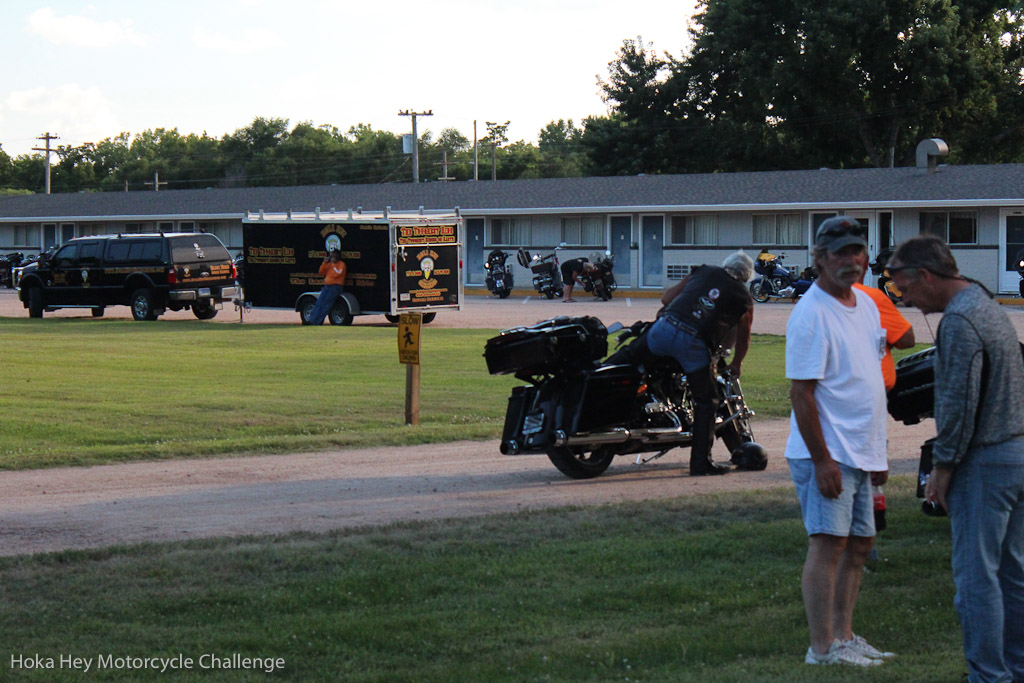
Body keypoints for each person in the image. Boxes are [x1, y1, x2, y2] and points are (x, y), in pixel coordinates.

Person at [888, 235, 1024, 683]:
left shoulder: (961, 322)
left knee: (975, 580)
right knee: (1012, 575)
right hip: (1017, 452)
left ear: (926, 275)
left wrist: (942, 470)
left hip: (984, 461)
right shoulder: (987, 305)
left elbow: (959, 405)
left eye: (901, 283)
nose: (900, 296)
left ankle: (988, 676)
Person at [785, 216, 892, 667]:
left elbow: (867, 380)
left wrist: (878, 454)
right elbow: (801, 394)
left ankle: (845, 637)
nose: (851, 261)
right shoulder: (811, 313)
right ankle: (822, 648)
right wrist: (823, 460)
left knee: (860, 544)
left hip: (861, 452)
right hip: (828, 454)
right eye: (840, 253)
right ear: (820, 259)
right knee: (829, 544)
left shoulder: (866, 304)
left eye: (857, 252)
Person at [646, 251, 754, 476]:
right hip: (692, 343)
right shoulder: (744, 298)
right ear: (746, 277)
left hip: (660, 331)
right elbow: (744, 336)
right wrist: (737, 363)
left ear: (725, 265)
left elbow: (666, 299)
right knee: (706, 401)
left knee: (630, 360)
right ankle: (700, 463)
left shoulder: (702, 271)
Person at [852, 257, 915, 391]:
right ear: (863, 266)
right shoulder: (872, 297)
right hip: (866, 394)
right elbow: (906, 339)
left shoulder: (809, 302)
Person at [306, 250, 347, 325]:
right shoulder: (329, 264)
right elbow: (321, 272)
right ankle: (312, 320)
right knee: (319, 303)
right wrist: (324, 262)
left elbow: (337, 274)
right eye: (331, 256)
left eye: (334, 256)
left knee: (326, 305)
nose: (332, 257)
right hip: (327, 286)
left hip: (335, 287)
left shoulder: (341, 264)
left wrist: (333, 264)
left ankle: (318, 321)